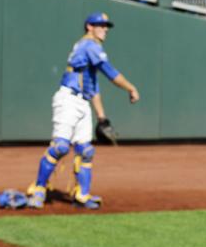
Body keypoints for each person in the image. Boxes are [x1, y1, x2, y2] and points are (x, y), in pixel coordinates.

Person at [26, 12, 139, 210]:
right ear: (89, 26)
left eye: (106, 26)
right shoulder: (89, 45)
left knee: (86, 150)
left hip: (82, 102)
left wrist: (101, 116)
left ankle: (82, 195)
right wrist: (130, 87)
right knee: (60, 147)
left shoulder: (89, 50)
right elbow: (109, 71)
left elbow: (92, 86)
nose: (105, 29)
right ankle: (38, 189)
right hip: (68, 99)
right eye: (100, 25)